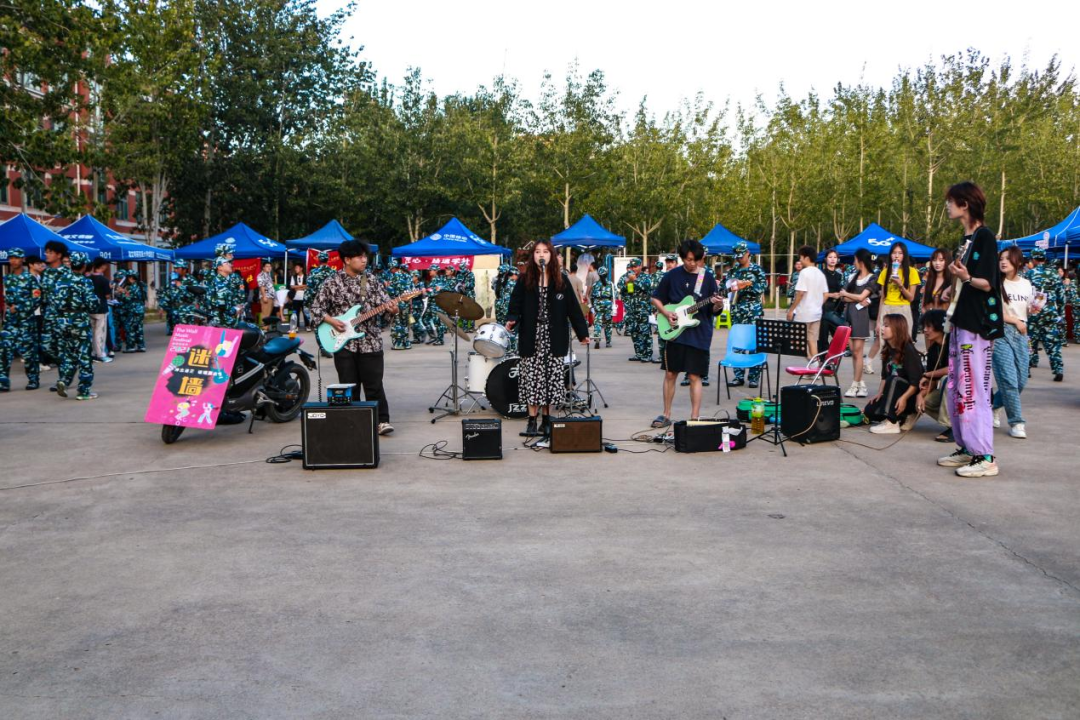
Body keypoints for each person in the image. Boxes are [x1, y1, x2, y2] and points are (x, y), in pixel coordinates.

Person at [937, 182, 1004, 478]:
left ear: (965, 204)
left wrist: (965, 277)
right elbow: (967, 280)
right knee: (957, 387)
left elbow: (988, 282)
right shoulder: (966, 239)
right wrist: (952, 288)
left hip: (977, 325)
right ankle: (967, 446)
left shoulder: (985, 236)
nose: (948, 206)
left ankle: (985, 455)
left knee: (974, 388)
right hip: (960, 322)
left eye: (951, 201)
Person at [505, 239, 590, 440]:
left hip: (554, 337)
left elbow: (573, 309)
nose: (541, 255)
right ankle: (531, 420)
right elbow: (515, 303)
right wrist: (512, 319)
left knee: (551, 380)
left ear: (551, 255)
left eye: (545, 251)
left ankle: (547, 420)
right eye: (537, 252)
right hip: (531, 337)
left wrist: (582, 332)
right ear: (533, 256)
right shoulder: (525, 279)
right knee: (532, 379)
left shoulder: (561, 280)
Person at [312, 240, 397, 435]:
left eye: (365, 256)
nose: (364, 260)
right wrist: (332, 321)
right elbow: (316, 309)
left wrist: (393, 309)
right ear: (347, 259)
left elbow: (386, 308)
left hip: (370, 341)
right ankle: (354, 423)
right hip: (343, 343)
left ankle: (382, 421)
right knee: (348, 385)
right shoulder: (331, 282)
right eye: (360, 257)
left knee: (374, 385)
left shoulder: (372, 281)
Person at [650, 239, 724, 428]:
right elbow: (656, 298)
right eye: (689, 259)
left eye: (696, 260)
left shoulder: (707, 278)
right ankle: (666, 414)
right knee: (670, 373)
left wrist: (718, 305)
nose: (693, 263)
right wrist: (666, 313)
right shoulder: (672, 275)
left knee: (694, 376)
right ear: (682, 258)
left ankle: (695, 418)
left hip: (699, 333)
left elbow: (714, 310)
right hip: (675, 332)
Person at [992, 246, 1037, 439]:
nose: (1003, 262)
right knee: (1009, 379)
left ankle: (994, 405)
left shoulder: (1026, 284)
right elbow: (993, 311)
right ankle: (1017, 422)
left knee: (1021, 380)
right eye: (1001, 258)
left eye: (1008, 259)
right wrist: (1015, 321)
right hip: (1001, 332)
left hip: (1022, 332)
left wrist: (1033, 309)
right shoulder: (995, 282)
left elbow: (1027, 308)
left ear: (1018, 262)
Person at [52, 251, 99, 400]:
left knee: (70, 354)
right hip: (80, 321)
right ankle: (83, 391)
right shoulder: (85, 281)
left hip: (63, 322)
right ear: (84, 265)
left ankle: (64, 380)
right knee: (84, 356)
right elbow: (92, 304)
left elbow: (55, 302)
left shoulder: (61, 280)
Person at [864, 314, 922, 434]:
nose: (882, 328)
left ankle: (891, 423)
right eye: (883, 325)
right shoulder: (887, 349)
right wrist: (879, 393)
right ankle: (901, 416)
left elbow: (915, 382)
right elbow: (884, 376)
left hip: (909, 395)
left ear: (897, 329)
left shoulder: (908, 350)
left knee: (894, 379)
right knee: (870, 411)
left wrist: (904, 398)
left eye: (886, 326)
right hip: (893, 393)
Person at [725, 241, 767, 389]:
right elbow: (725, 288)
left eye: (741, 256)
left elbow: (762, 287)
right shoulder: (733, 271)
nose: (739, 259)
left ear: (748, 253)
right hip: (737, 309)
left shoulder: (756, 270)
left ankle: (754, 377)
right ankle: (738, 376)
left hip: (753, 309)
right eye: (737, 256)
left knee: (755, 343)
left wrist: (747, 285)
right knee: (738, 343)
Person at [0, 249, 42, 391]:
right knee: (4, 350)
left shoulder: (30, 278)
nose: (13, 260)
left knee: (29, 353)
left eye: (16, 258)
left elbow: (37, 299)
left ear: (22, 259)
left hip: (26, 321)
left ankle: (33, 380)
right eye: (11, 258)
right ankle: (3, 382)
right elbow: (7, 298)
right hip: (10, 321)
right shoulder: (8, 278)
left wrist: (19, 307)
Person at [1025, 248, 1065, 382]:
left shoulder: (1029, 274)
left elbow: (1025, 293)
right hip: (1050, 313)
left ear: (1033, 259)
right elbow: (1061, 296)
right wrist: (1060, 314)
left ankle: (1027, 368)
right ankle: (1058, 369)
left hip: (1034, 313)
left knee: (1030, 341)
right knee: (1052, 342)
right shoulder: (1054, 274)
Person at [840, 248, 875, 398]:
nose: (853, 263)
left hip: (861, 317)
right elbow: (844, 298)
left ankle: (855, 384)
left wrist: (849, 295)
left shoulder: (872, 278)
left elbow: (861, 297)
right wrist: (853, 297)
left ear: (861, 261)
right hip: (849, 316)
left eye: (855, 260)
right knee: (854, 352)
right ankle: (861, 384)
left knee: (857, 352)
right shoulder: (851, 276)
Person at [914, 310, 952, 442]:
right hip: (950, 392)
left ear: (941, 326)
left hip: (967, 391)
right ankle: (959, 424)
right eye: (924, 326)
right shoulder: (933, 350)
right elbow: (933, 381)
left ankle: (953, 427)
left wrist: (928, 374)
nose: (925, 330)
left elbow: (953, 369)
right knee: (925, 402)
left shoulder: (954, 343)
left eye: (929, 326)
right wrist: (920, 395)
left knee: (947, 380)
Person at [875, 242, 921, 351]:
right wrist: (878, 321)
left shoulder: (912, 272)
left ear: (904, 255)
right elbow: (882, 297)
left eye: (900, 253)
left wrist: (900, 285)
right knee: (885, 346)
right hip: (886, 309)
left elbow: (911, 298)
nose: (896, 256)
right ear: (890, 255)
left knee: (903, 345)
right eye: (894, 253)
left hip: (903, 309)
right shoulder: (884, 272)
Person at [786, 246, 827, 358]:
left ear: (806, 258)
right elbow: (826, 294)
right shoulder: (820, 273)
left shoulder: (804, 273)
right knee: (812, 341)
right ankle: (815, 365)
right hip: (816, 313)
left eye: (801, 257)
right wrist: (817, 305)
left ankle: (811, 362)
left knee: (797, 342)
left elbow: (800, 293)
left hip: (804, 313)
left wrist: (791, 310)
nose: (800, 260)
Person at [619, 258, 654, 362]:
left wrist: (634, 280)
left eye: (635, 267)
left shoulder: (646, 277)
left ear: (640, 266)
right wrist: (627, 282)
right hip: (631, 309)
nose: (633, 269)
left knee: (645, 332)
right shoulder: (627, 276)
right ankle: (639, 353)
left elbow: (646, 287)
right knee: (634, 331)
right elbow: (621, 288)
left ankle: (647, 354)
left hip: (643, 309)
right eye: (632, 267)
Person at [818, 249, 846, 351]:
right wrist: (831, 295)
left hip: (837, 308)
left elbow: (842, 289)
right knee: (823, 337)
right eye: (830, 257)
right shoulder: (821, 274)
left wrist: (842, 294)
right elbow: (817, 292)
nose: (833, 259)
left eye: (835, 257)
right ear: (826, 259)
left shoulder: (840, 275)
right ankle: (823, 357)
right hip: (824, 308)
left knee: (838, 336)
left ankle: (832, 356)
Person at [88, 258, 112, 358]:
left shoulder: (88, 279)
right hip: (101, 308)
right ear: (102, 266)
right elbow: (107, 296)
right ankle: (100, 353)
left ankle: (92, 352)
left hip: (90, 308)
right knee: (100, 332)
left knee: (91, 332)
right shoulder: (104, 280)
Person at [922, 248, 954, 313]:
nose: (937, 263)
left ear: (947, 261)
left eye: (941, 260)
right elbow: (923, 305)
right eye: (934, 260)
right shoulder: (929, 281)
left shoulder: (953, 281)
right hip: (928, 316)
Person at [590, 266, 614, 349]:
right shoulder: (610, 284)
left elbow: (592, 297)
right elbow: (614, 296)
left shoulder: (595, 284)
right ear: (606, 274)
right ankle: (608, 342)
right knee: (608, 323)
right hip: (608, 304)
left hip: (598, 304)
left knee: (597, 322)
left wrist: (593, 306)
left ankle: (597, 339)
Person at [287, 261, 308, 330]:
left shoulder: (306, 276)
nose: (295, 269)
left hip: (304, 297)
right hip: (296, 297)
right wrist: (302, 286)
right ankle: (296, 326)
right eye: (295, 268)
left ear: (301, 268)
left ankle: (307, 325)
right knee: (296, 312)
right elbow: (292, 286)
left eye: (297, 268)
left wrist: (298, 287)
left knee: (305, 312)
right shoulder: (293, 277)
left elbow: (307, 286)